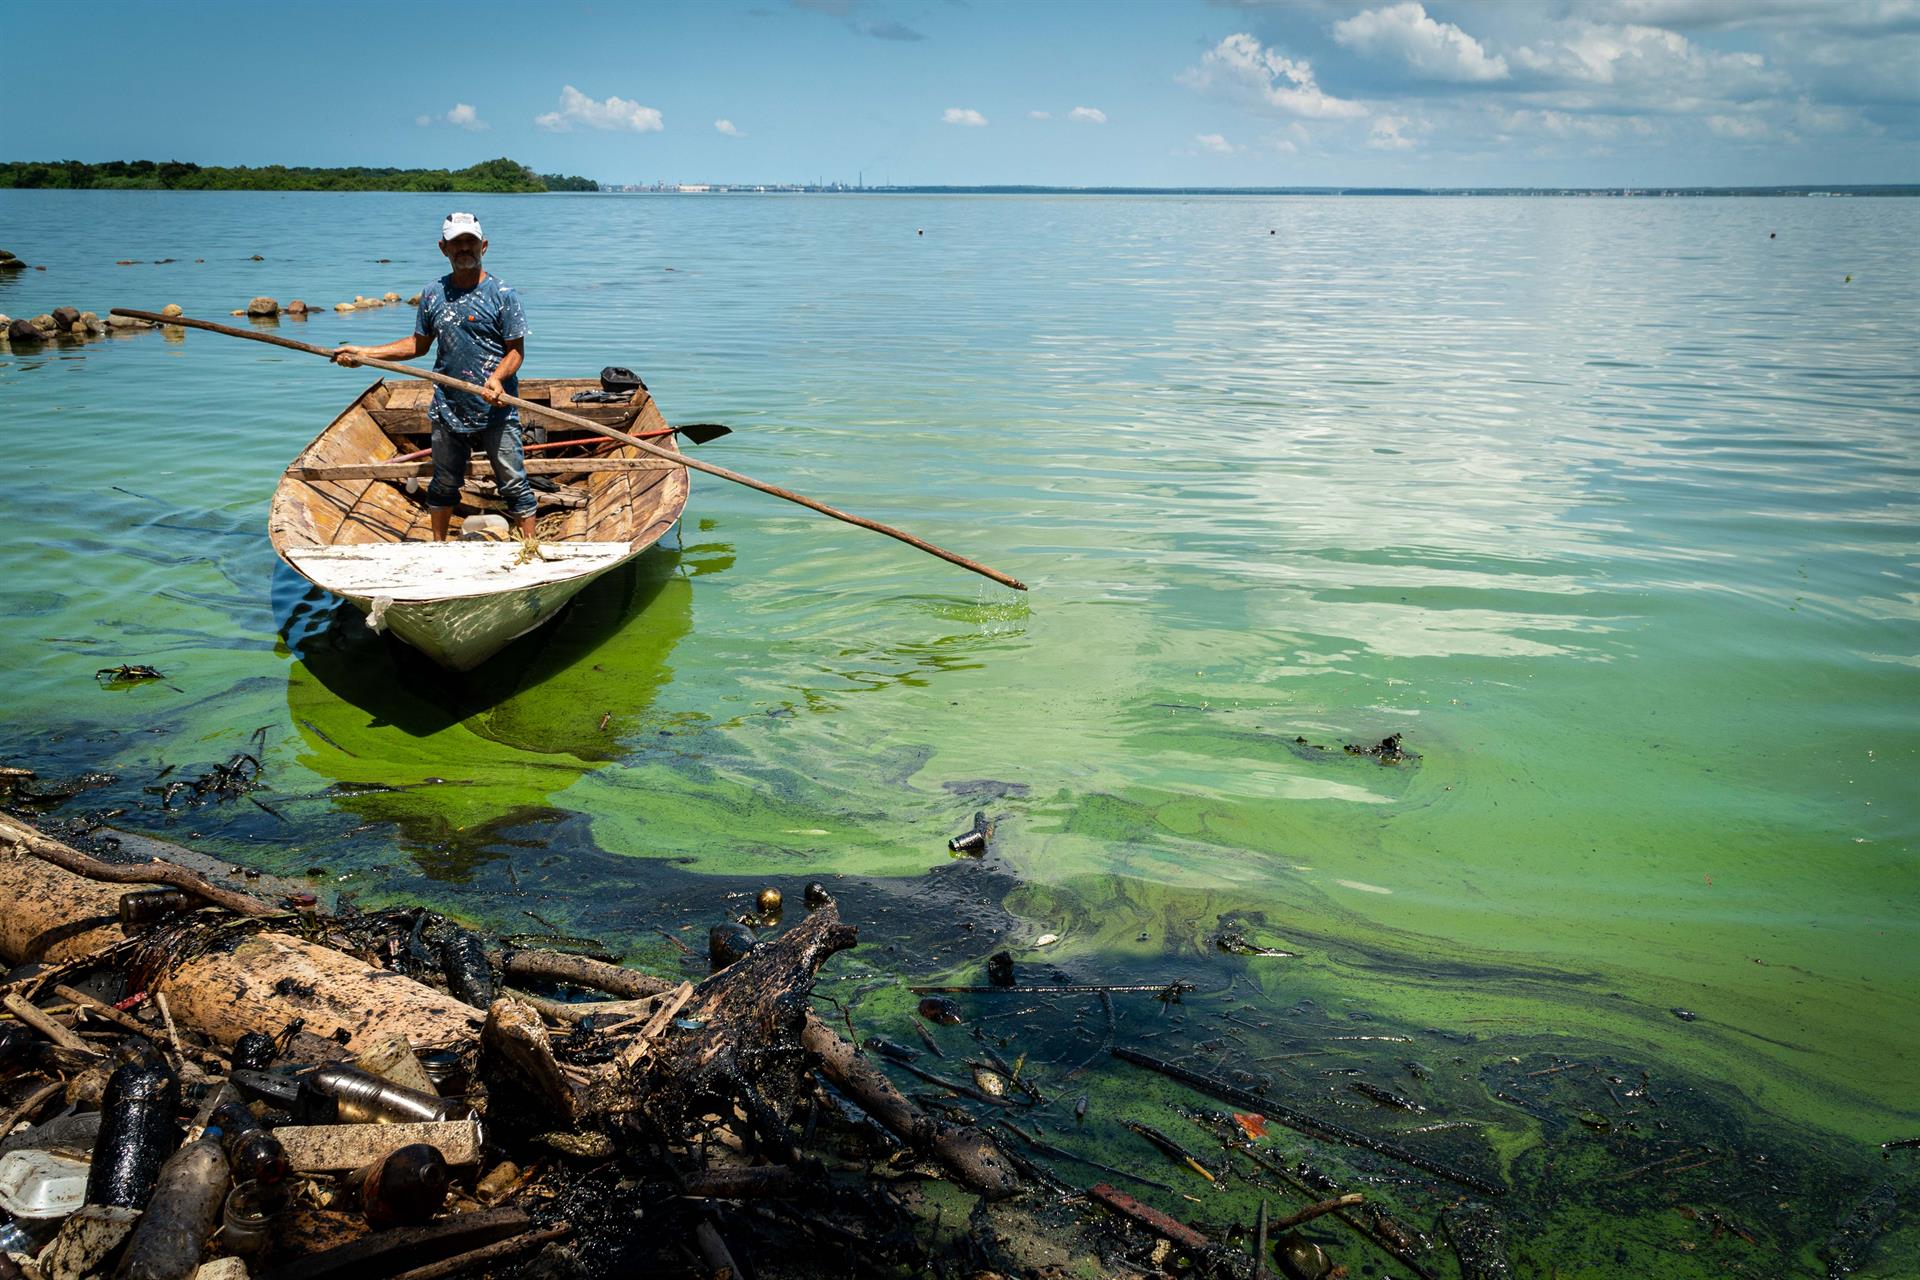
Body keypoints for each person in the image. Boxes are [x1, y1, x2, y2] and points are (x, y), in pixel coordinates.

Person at [334, 211, 535, 540]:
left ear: (484, 246)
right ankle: (438, 550)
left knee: (514, 483)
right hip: (448, 406)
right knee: (443, 483)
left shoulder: (503, 294)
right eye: (457, 243)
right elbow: (417, 345)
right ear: (444, 249)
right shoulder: (432, 294)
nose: (464, 248)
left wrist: (497, 378)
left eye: (470, 242)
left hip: (496, 406)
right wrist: (365, 354)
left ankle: (532, 551)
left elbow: (515, 351)